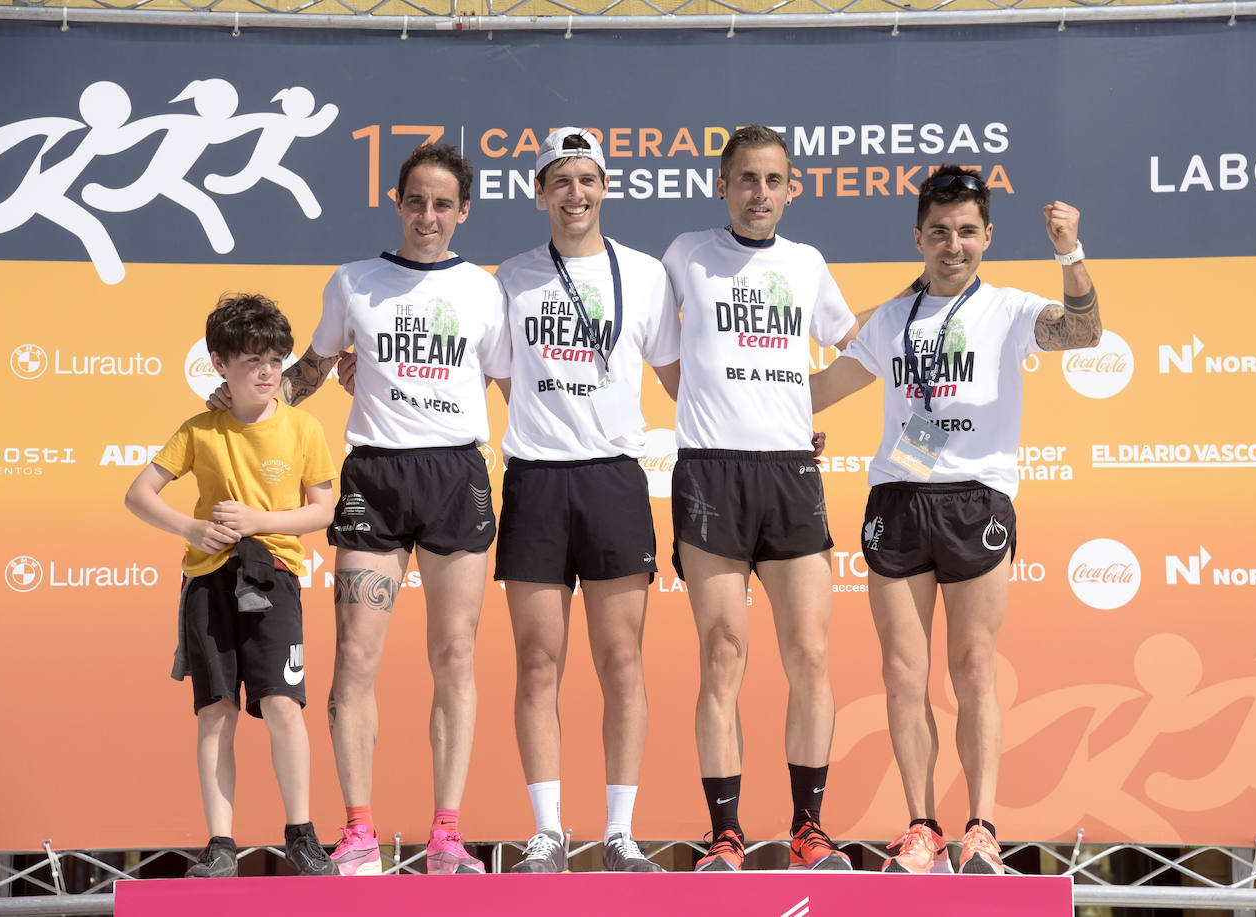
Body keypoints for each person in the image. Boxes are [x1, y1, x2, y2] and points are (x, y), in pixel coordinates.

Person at [209, 144, 509, 875]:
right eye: (417, 200)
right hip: (374, 475)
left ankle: (446, 836)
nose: (429, 215)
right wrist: (247, 398)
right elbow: (307, 372)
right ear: (397, 201)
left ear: (462, 210)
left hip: (457, 475)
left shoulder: (484, 289)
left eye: (444, 204)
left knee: (456, 655)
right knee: (355, 658)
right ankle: (361, 833)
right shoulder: (354, 282)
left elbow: (512, 386)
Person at [810, 165, 1103, 875]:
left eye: (967, 231)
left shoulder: (1007, 308)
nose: (953, 244)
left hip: (977, 500)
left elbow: (1086, 332)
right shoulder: (890, 319)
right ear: (918, 236)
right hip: (898, 501)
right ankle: (921, 827)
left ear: (988, 237)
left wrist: (1070, 252)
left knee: (973, 669)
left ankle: (982, 828)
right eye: (939, 231)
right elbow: (821, 390)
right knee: (903, 674)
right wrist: (783, 427)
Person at [662, 125, 859, 872]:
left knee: (809, 651)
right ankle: (724, 834)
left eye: (773, 180)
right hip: (711, 471)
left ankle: (809, 828)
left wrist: (792, 413)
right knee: (723, 653)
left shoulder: (807, 264)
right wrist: (704, 410)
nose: (759, 193)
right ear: (722, 184)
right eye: (746, 179)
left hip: (788, 473)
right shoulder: (686, 253)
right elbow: (644, 338)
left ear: (791, 187)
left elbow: (855, 341)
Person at [492, 127, 681, 873]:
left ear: (606, 188)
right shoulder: (507, 277)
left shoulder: (644, 274)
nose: (576, 194)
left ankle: (620, 832)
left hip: (614, 478)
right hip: (537, 479)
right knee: (538, 662)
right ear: (540, 193)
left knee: (622, 661)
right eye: (561, 181)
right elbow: (488, 374)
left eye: (588, 180)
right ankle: (547, 831)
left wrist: (790, 426)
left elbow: (679, 378)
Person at [125, 293, 338, 877]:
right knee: (216, 710)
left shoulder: (303, 428)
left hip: (275, 579)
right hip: (209, 581)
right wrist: (192, 526)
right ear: (220, 364)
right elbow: (138, 494)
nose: (266, 372)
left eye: (274, 359)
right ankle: (220, 843)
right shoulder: (199, 429)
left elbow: (323, 509)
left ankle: (301, 832)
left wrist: (260, 523)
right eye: (251, 360)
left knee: (282, 704)